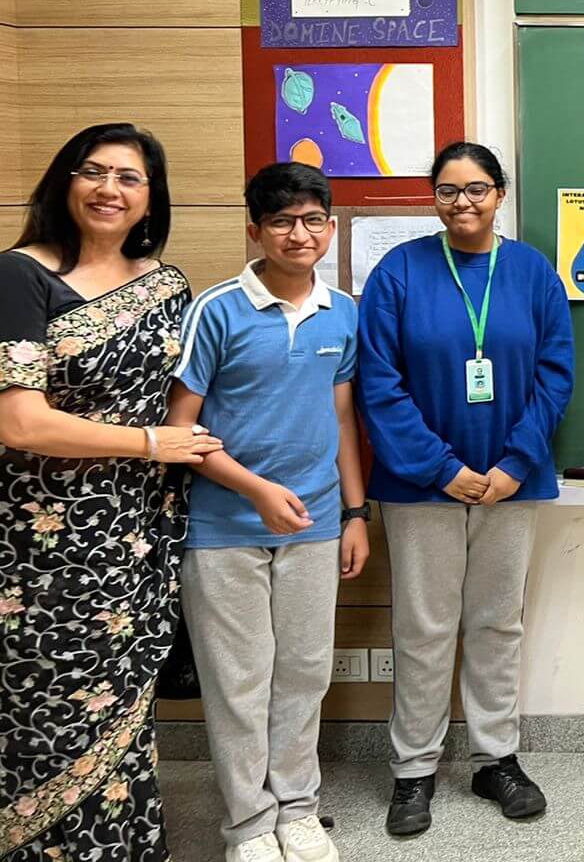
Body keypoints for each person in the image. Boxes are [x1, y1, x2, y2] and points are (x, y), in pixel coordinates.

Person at [0, 123, 223, 860]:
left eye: (129, 178)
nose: (109, 189)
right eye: (93, 172)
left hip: (138, 534)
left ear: (150, 198)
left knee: (123, 708)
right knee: (44, 703)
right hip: (42, 542)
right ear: (64, 181)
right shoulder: (18, 276)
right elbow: (21, 422)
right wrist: (151, 444)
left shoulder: (166, 285)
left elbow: (191, 397)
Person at [356, 142, 575, 838]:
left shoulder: (533, 272)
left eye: (476, 188)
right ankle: (413, 770)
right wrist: (440, 467)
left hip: (511, 484)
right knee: (422, 627)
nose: (463, 202)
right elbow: (378, 384)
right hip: (421, 487)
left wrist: (516, 462)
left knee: (496, 622)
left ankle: (494, 759)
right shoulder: (398, 272)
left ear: (499, 194)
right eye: (448, 190)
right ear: (434, 198)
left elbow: (556, 375)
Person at [165, 163, 367, 862]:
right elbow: (181, 430)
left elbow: (342, 419)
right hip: (224, 528)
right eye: (282, 221)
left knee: (305, 672)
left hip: (316, 523)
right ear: (255, 230)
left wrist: (355, 513)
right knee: (239, 681)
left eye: (312, 220)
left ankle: (298, 810)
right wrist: (254, 489)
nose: (298, 234)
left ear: (330, 229)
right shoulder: (216, 310)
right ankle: (249, 824)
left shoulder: (343, 313)